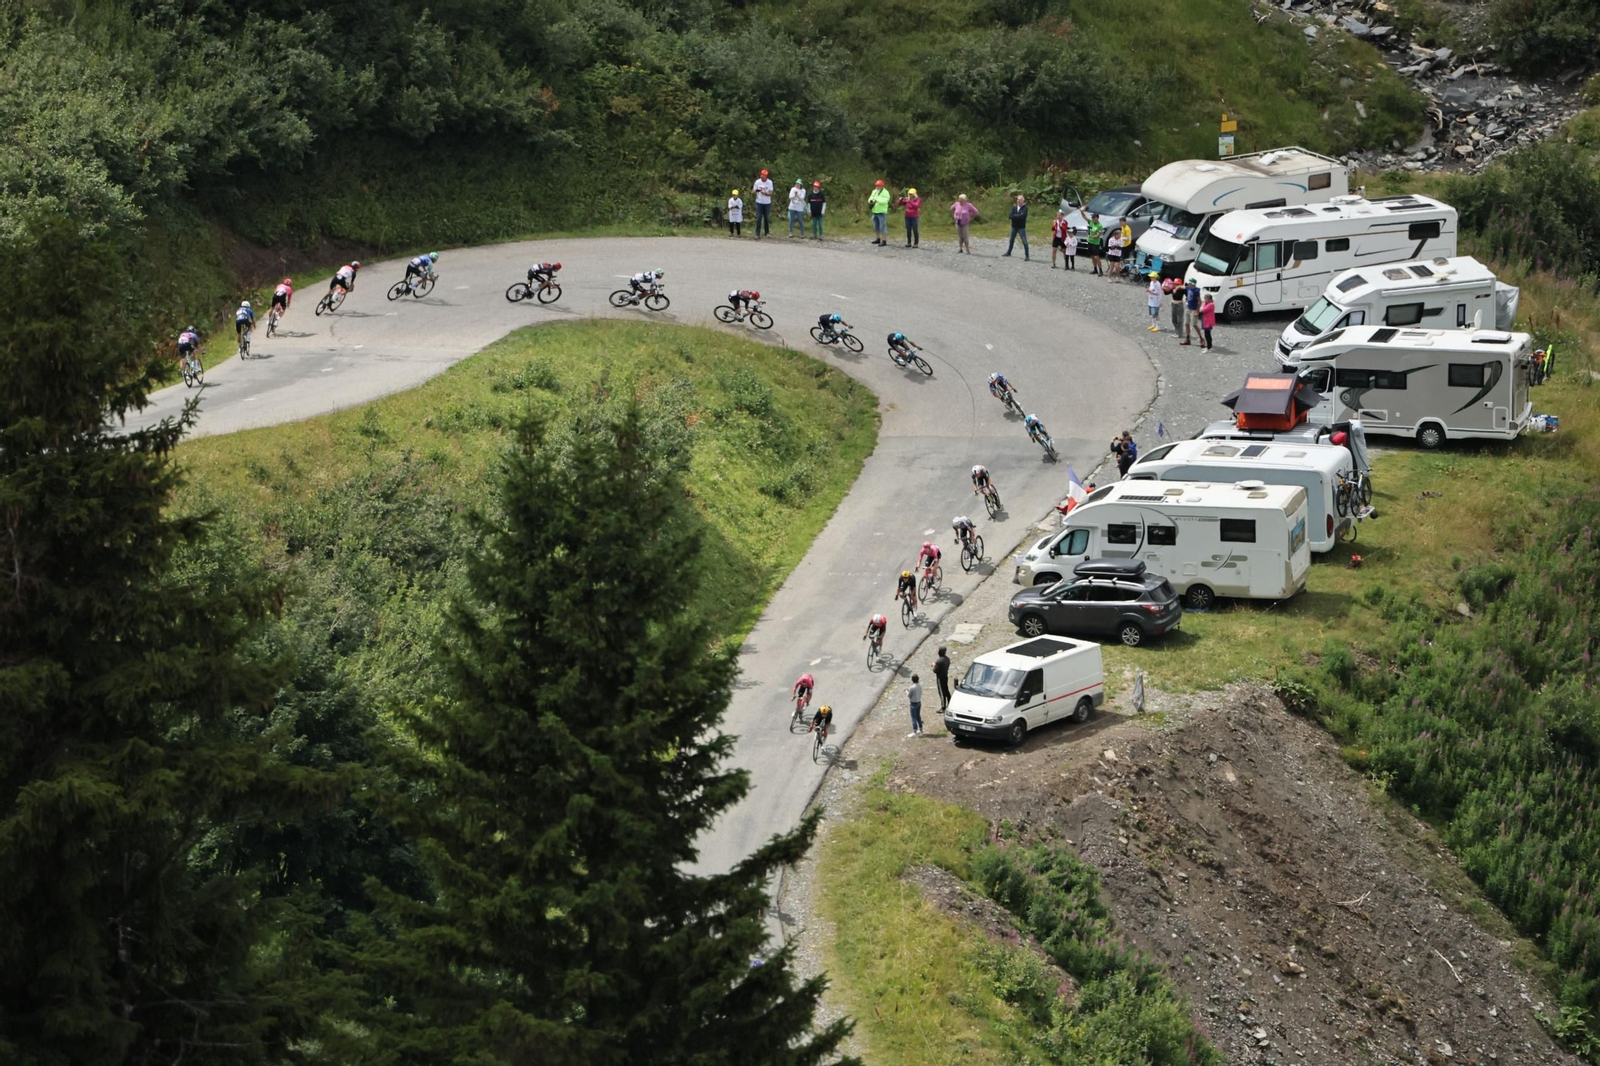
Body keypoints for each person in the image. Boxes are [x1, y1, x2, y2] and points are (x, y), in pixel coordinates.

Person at [1004, 195, 1029, 259]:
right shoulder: (1014, 208)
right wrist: (1018, 216)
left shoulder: (1025, 208)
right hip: (1014, 227)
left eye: (1020, 200)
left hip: (1021, 227)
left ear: (1023, 201)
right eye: (1018, 200)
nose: (1018, 201)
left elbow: (1023, 217)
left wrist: (1015, 216)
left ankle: (1027, 255)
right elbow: (1010, 216)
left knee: (1024, 241)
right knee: (1011, 240)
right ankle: (1009, 252)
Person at [868, 179, 891, 246]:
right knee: (876, 226)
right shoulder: (874, 191)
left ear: (882, 186)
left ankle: (884, 240)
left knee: (882, 226)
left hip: (881, 212)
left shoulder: (886, 192)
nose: (877, 186)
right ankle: (878, 238)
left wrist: (877, 200)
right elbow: (870, 199)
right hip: (874, 211)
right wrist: (871, 201)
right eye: (877, 185)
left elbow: (885, 201)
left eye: (879, 185)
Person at [752, 170, 774, 237]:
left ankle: (767, 232)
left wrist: (766, 193)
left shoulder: (769, 182)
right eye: (762, 175)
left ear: (766, 176)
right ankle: (757, 233)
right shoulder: (757, 182)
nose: (762, 176)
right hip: (759, 202)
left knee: (766, 218)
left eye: (764, 175)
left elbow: (771, 193)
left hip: (767, 203)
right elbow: (753, 191)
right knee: (758, 218)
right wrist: (758, 190)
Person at [1183, 277, 1202, 345]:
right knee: (1186, 323)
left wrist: (1197, 311)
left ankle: (1201, 337)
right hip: (1188, 308)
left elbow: (1200, 301)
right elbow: (1183, 287)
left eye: (1191, 284)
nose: (1190, 284)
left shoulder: (1196, 291)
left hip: (1193, 309)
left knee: (1194, 324)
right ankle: (1187, 338)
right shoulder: (1188, 288)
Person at [933, 646, 952, 711]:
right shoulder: (947, 659)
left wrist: (934, 665)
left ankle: (943, 707)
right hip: (945, 676)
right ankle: (950, 702)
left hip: (940, 678)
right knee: (946, 689)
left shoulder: (939, 661)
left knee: (941, 692)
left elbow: (935, 671)